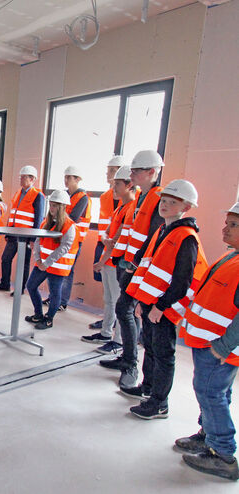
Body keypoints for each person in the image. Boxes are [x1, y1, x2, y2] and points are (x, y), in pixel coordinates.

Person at [121, 180, 207, 419]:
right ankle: (148, 388)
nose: (165, 205)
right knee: (150, 347)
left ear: (186, 207)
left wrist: (160, 306)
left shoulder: (186, 237)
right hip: (151, 304)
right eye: (164, 201)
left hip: (165, 307)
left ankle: (159, 403)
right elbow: (149, 269)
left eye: (173, 202)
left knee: (163, 354)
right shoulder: (163, 230)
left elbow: (182, 280)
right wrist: (142, 301)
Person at [177, 201, 239, 481]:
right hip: (209, 343)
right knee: (216, 393)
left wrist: (222, 347)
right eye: (227, 223)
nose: (225, 229)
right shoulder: (232, 257)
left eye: (234, 225)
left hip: (219, 348)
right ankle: (208, 435)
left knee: (210, 393)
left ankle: (223, 455)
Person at [100, 150, 166, 389]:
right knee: (124, 310)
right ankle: (127, 358)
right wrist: (120, 258)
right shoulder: (140, 198)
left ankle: (131, 365)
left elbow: (153, 238)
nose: (132, 175)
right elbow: (129, 232)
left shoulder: (158, 199)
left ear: (152, 172)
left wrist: (134, 266)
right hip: (127, 264)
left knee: (127, 310)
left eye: (137, 171)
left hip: (139, 269)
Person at [84, 165, 135, 353]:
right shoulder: (120, 207)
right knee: (109, 299)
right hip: (108, 260)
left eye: (118, 184)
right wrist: (106, 243)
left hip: (116, 262)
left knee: (118, 301)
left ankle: (118, 340)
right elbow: (108, 234)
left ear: (129, 185)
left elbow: (115, 240)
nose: (114, 188)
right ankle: (106, 333)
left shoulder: (131, 208)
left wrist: (102, 258)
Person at [24, 190, 80, 329]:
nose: (51, 208)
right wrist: (38, 259)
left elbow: (64, 247)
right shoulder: (46, 222)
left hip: (57, 266)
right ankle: (38, 314)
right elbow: (38, 241)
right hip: (42, 264)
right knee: (31, 286)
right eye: (51, 205)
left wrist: (47, 263)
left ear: (63, 207)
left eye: (55, 205)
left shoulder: (69, 226)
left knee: (55, 293)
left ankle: (49, 319)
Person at [0, 165, 45, 294]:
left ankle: (20, 289)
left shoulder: (38, 195)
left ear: (32, 179)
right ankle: (5, 284)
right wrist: (8, 232)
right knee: (5, 258)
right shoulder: (18, 193)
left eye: (23, 177)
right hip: (13, 234)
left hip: (26, 237)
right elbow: (13, 214)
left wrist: (33, 239)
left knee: (23, 263)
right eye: (21, 177)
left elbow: (38, 219)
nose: (20, 179)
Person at [47, 165, 91, 311]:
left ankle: (62, 301)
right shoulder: (64, 195)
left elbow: (73, 217)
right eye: (65, 177)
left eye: (69, 177)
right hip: (58, 237)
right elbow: (55, 215)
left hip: (74, 241)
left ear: (77, 179)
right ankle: (54, 298)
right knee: (54, 269)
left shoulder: (83, 198)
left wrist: (60, 215)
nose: (66, 180)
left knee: (67, 270)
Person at [89, 156, 124, 329]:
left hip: (120, 248)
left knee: (118, 290)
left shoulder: (134, 198)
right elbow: (105, 223)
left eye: (112, 170)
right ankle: (108, 320)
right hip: (103, 243)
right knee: (107, 287)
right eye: (108, 170)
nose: (107, 174)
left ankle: (116, 324)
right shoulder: (105, 197)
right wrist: (104, 240)